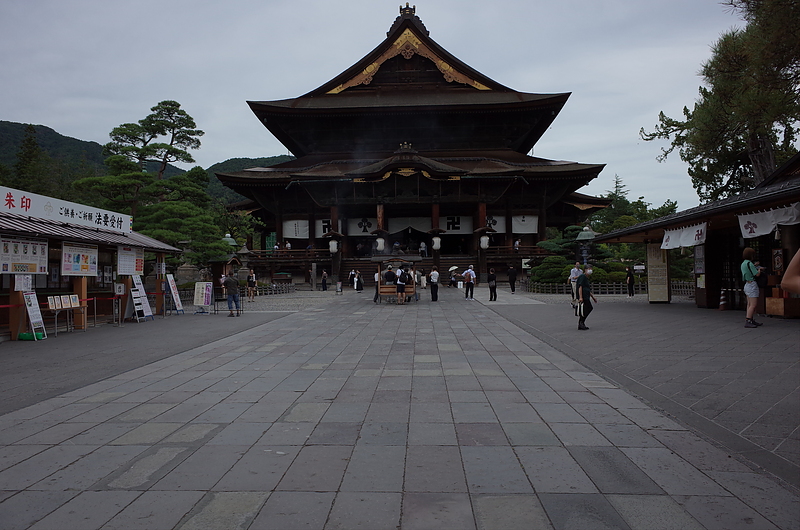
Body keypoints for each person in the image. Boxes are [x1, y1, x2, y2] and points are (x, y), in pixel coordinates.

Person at [741, 247, 763, 328]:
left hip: (746, 284)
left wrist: (754, 265)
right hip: (752, 284)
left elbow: (748, 270)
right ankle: (748, 320)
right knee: (753, 305)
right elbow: (756, 274)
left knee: (749, 304)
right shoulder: (749, 263)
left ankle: (750, 319)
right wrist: (759, 269)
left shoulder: (743, 263)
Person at [576, 265, 597, 330]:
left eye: (591, 269)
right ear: (585, 269)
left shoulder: (586, 277)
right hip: (583, 296)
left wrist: (593, 297)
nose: (590, 270)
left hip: (586, 295)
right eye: (589, 269)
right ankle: (581, 322)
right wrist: (581, 297)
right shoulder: (582, 276)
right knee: (588, 308)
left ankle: (581, 323)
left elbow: (587, 288)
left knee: (587, 308)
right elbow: (580, 287)